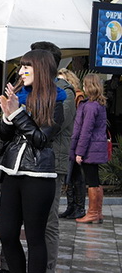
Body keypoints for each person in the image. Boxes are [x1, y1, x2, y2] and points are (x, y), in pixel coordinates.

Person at [0, 41, 74, 273]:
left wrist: (17, 113)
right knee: (7, 233)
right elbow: (5, 137)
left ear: (40, 69)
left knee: (35, 235)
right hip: (12, 171)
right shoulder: (18, 97)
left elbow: (41, 139)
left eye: (26, 67)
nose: (20, 71)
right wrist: (8, 114)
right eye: (21, 66)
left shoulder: (58, 100)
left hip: (39, 175)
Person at [72, 73, 109, 224]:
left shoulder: (90, 106)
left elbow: (85, 130)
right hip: (97, 146)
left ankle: (93, 213)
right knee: (95, 179)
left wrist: (79, 152)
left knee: (91, 179)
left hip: (90, 148)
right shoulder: (99, 104)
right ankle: (97, 212)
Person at [58, 68, 86, 219]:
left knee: (76, 175)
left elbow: (79, 120)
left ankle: (79, 207)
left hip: (75, 139)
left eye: (63, 79)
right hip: (70, 138)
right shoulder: (64, 96)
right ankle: (71, 207)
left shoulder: (77, 96)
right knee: (72, 174)